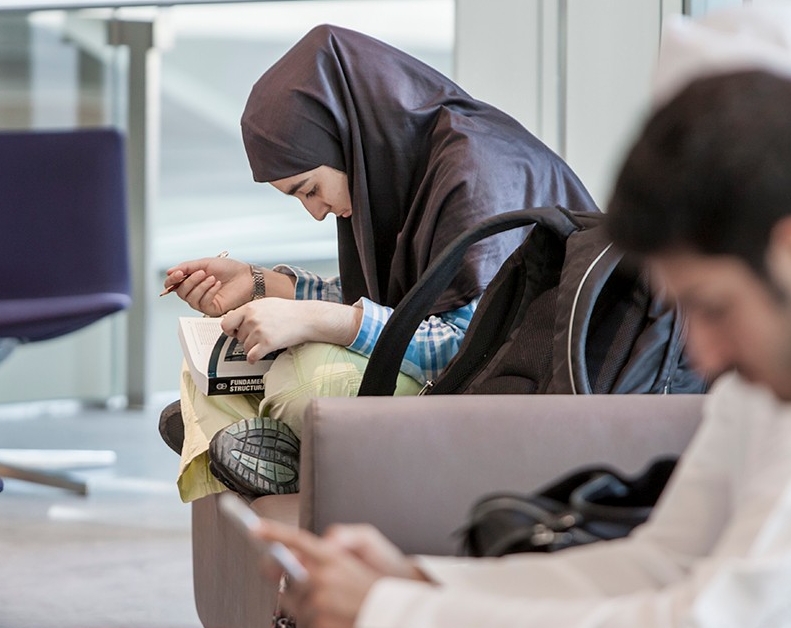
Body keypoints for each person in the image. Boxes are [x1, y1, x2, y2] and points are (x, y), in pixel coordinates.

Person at [248, 3, 791, 628]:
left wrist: (399, 614)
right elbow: (664, 560)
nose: (701, 356)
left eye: (710, 307)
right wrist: (420, 581)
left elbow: (717, 619)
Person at [162, 24, 597, 503]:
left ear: (346, 137)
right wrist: (261, 284)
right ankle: (259, 446)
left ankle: (248, 442)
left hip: (508, 390)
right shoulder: (401, 160)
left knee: (304, 375)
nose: (315, 210)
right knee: (210, 360)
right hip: (460, 373)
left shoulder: (475, 177)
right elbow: (405, 298)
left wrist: (319, 321)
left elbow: (463, 347)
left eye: (309, 188)